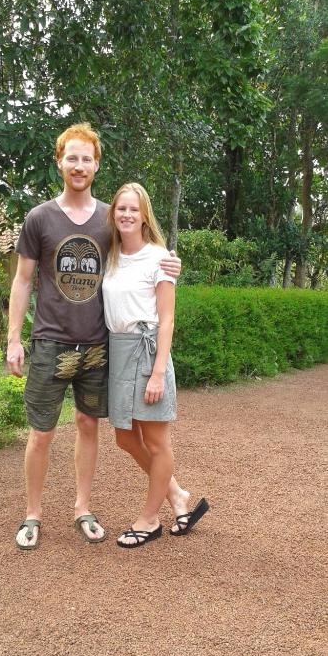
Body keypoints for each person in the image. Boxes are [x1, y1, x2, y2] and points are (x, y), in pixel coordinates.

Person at [7, 123, 182, 550]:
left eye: (87, 159)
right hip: (49, 341)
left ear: (96, 165)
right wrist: (14, 338)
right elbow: (22, 281)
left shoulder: (108, 221)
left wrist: (170, 264)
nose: (79, 165)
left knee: (89, 425)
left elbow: (141, 254)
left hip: (97, 344)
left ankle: (82, 508)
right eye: (72, 158)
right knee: (41, 432)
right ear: (60, 161)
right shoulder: (40, 218)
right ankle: (33, 514)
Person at [102, 182, 209, 548]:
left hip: (147, 352)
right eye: (121, 209)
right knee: (125, 437)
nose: (127, 215)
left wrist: (159, 372)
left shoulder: (159, 257)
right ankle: (177, 494)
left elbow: (167, 320)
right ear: (113, 214)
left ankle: (149, 520)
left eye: (134, 209)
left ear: (145, 214)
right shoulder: (111, 254)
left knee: (156, 440)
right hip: (118, 350)